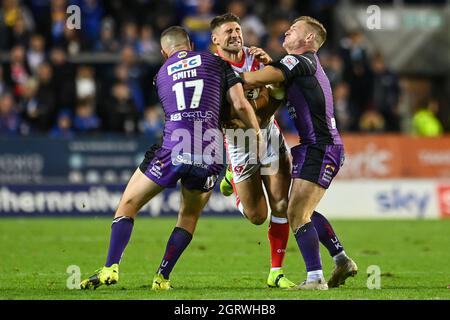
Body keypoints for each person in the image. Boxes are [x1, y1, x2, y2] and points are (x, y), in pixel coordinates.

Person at [80, 26, 263, 290]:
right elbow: (239, 104)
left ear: (164, 51)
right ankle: (162, 277)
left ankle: (110, 268)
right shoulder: (217, 62)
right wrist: (256, 134)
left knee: (128, 205)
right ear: (189, 43)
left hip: (174, 146)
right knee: (187, 216)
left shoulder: (161, 74)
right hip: (209, 149)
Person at [241, 16, 357, 290]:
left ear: (308, 39)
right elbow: (280, 77)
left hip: (320, 147)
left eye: (294, 30)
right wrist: (271, 64)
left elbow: (268, 77)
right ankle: (341, 259)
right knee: (302, 210)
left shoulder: (302, 60)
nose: (287, 31)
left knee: (297, 214)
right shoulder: (303, 66)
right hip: (316, 146)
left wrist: (232, 77)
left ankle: (315, 278)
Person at [211, 13, 295, 289]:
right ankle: (233, 179)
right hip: (239, 142)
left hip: (268, 133)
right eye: (228, 31)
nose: (235, 34)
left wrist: (273, 70)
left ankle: (276, 272)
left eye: (237, 29)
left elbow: (279, 95)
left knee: (281, 203)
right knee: (257, 216)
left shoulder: (257, 58)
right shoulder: (212, 68)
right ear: (215, 40)